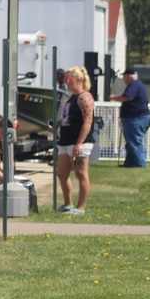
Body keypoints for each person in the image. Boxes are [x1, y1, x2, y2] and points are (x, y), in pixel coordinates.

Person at [55, 66, 95, 215]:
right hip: (65, 140)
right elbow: (68, 119)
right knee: (62, 173)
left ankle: (80, 207)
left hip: (79, 141)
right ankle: (68, 204)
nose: (66, 83)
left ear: (78, 80)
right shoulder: (71, 97)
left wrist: (79, 143)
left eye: (69, 80)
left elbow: (87, 121)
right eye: (65, 80)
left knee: (81, 173)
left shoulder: (85, 97)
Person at [110, 66, 150, 168]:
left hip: (136, 118)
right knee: (131, 142)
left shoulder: (134, 85)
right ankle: (130, 163)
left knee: (135, 141)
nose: (123, 79)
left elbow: (127, 97)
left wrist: (113, 97)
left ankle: (139, 164)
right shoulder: (138, 84)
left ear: (128, 76)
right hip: (138, 117)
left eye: (124, 77)